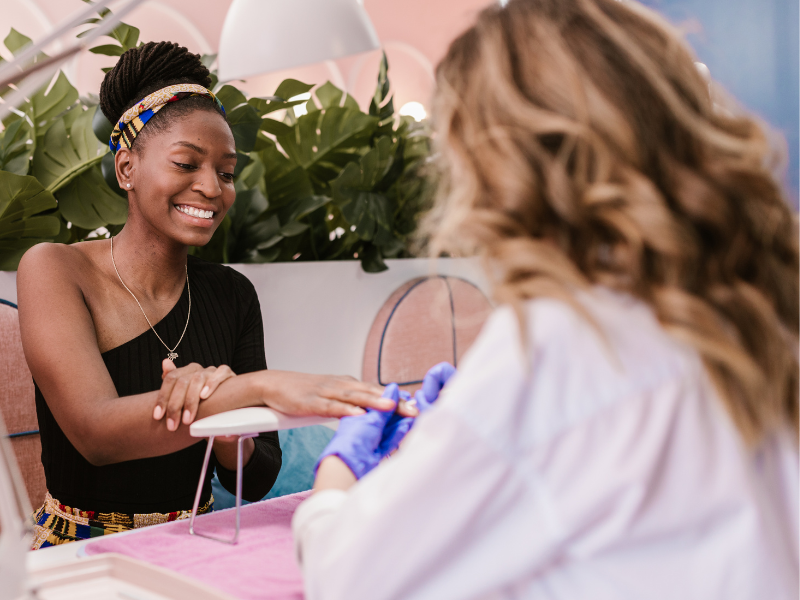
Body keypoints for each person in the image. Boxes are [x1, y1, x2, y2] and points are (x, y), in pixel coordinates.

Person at [291, 1, 799, 598]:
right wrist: (466, 433)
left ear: (500, 166)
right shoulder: (760, 306)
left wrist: (339, 475)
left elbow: (352, 578)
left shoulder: (562, 345)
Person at [16, 42, 401, 549]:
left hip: (196, 540)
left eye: (225, 172)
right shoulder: (54, 268)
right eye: (186, 164)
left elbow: (256, 477)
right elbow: (96, 434)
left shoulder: (231, 294)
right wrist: (248, 390)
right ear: (127, 168)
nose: (212, 188)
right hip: (78, 552)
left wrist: (224, 431)